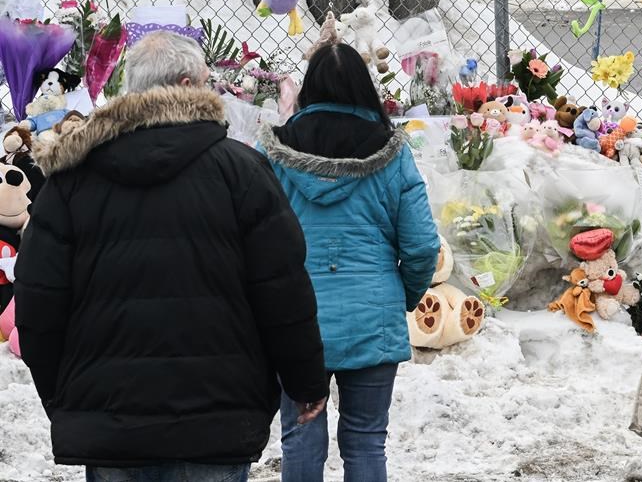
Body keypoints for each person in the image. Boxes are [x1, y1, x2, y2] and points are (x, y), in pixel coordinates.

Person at [15, 31, 329, 482]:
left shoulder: (72, 180)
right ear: (184, 85)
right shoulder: (241, 172)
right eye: (207, 81)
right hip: (216, 421)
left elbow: (38, 303)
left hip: (109, 421)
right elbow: (282, 292)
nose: (213, 91)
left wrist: (65, 400)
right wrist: (305, 382)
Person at [259, 42, 439, 482]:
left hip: (294, 320)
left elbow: (255, 242)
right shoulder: (392, 153)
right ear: (364, 88)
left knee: (299, 437)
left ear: (308, 88)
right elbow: (420, 247)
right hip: (371, 314)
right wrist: (402, 296)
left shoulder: (276, 153)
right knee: (365, 439)